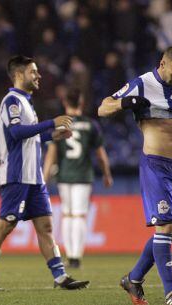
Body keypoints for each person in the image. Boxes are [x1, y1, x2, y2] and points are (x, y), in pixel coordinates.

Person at [98, 45, 172, 305]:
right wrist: (125, 103)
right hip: (156, 165)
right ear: (162, 63)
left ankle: (134, 279)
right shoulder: (143, 83)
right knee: (166, 227)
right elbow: (102, 108)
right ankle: (171, 293)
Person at [0, 55, 88, 292]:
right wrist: (50, 123)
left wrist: (52, 135)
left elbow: (30, 137)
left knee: (45, 226)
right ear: (19, 74)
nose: (38, 76)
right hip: (16, 175)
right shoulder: (11, 101)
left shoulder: (26, 102)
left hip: (34, 177)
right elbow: (16, 133)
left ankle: (60, 277)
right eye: (33, 72)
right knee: (6, 224)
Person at [43, 88, 113, 268]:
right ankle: (77, 256)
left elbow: (51, 154)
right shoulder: (91, 125)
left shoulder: (60, 124)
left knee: (67, 215)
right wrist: (106, 174)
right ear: (81, 103)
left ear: (65, 103)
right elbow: (100, 155)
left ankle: (70, 255)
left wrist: (44, 177)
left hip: (64, 175)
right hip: (83, 175)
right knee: (80, 216)